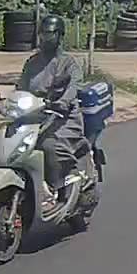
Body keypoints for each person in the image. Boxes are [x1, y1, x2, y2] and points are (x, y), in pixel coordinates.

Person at [16, 14, 84, 214]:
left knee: (48, 145)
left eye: (50, 34)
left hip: (63, 116)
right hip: (35, 115)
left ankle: (59, 186)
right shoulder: (32, 62)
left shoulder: (68, 62)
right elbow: (21, 87)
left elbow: (74, 86)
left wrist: (62, 102)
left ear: (59, 35)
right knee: (5, 142)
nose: (46, 38)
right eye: (43, 34)